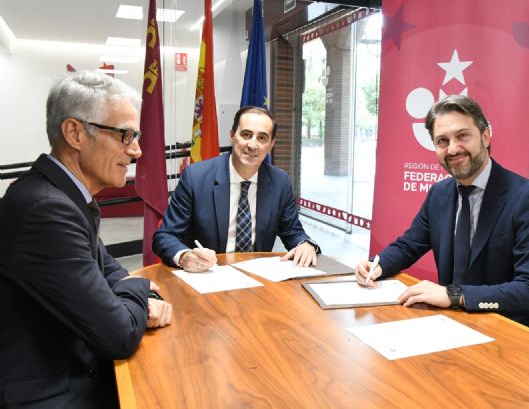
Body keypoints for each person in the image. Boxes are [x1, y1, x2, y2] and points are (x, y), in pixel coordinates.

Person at [0, 71, 172, 408]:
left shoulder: (61, 194)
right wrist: (140, 287)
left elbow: (106, 266)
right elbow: (118, 334)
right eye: (125, 135)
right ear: (75, 132)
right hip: (52, 390)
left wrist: (119, 292)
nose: (136, 150)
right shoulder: (47, 209)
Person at [355, 95, 529, 336]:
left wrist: (454, 295)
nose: (452, 149)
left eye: (462, 136)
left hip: (512, 333)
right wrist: (378, 265)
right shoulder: (439, 194)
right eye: (442, 141)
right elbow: (409, 245)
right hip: (453, 327)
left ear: (485, 136)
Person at [153, 106, 320, 272]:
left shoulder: (279, 181)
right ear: (232, 136)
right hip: (208, 275)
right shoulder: (196, 178)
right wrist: (184, 256)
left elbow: (293, 231)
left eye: (262, 138)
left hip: (258, 278)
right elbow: (165, 236)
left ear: (271, 145)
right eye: (246, 135)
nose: (252, 145)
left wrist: (304, 244)